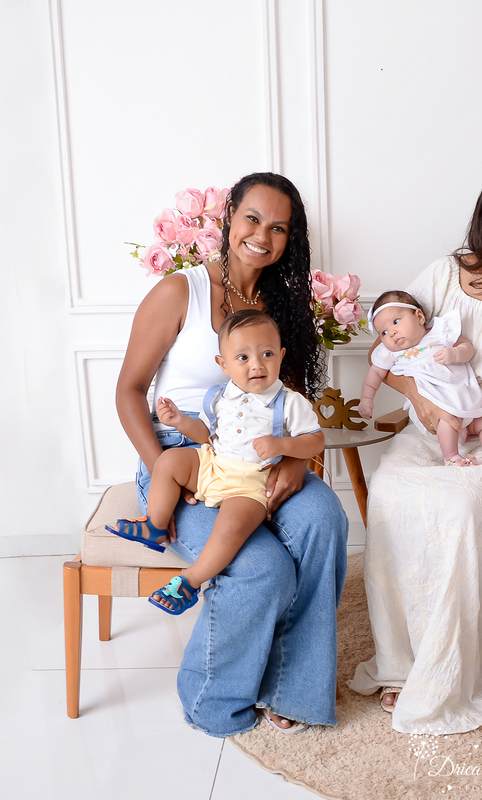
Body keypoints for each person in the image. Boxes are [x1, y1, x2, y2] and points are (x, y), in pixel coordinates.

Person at [115, 172, 349, 736]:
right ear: (228, 219)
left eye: (279, 228)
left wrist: (295, 461)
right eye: (252, 219)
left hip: (260, 458)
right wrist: (166, 469)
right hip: (182, 457)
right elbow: (128, 391)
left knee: (324, 518)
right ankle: (210, 700)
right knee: (261, 567)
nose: (262, 236)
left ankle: (292, 690)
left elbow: (290, 403)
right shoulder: (182, 291)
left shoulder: (283, 305)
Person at [349, 161, 482, 734]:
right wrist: (418, 399)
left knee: (463, 507)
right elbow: (387, 347)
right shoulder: (446, 274)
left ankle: (454, 666)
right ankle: (402, 662)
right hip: (437, 421)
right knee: (391, 491)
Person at [107, 310, 324, 615]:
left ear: (281, 355)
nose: (257, 365)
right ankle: (155, 525)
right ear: (223, 364)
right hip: (213, 464)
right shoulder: (220, 396)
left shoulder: (289, 401)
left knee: (230, 528)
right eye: (243, 358)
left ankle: (190, 582)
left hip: (250, 483)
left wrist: (282, 445)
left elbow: (316, 440)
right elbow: (205, 435)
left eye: (267, 354)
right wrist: (180, 421)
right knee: (169, 461)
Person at [357, 290, 482, 468]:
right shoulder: (389, 353)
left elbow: (467, 348)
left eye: (396, 322)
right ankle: (451, 456)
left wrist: (455, 353)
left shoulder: (440, 332)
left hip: (463, 395)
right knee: (446, 420)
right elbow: (374, 375)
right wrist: (366, 399)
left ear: (419, 317)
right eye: (383, 332)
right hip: (434, 407)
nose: (391, 333)